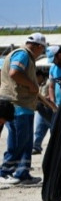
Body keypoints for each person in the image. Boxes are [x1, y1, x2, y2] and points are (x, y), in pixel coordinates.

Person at [0, 32, 48, 186]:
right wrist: (32, 85)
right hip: (17, 105)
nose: (42, 52)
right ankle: (5, 172)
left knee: (26, 141)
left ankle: (23, 174)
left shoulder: (26, 57)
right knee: (18, 141)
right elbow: (14, 73)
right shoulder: (23, 55)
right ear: (38, 46)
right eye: (43, 49)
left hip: (24, 105)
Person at [32, 70, 52, 155]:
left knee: (53, 129)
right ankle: (36, 147)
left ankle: (54, 148)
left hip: (49, 109)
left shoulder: (48, 82)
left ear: (39, 76)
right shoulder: (36, 84)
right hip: (40, 109)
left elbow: (51, 94)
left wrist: (46, 98)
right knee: (39, 129)